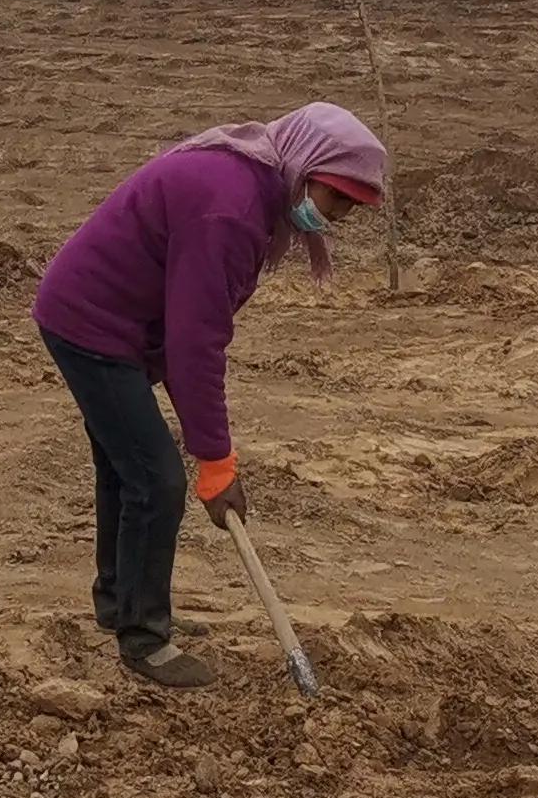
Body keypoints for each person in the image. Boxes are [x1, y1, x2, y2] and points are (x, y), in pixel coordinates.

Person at [28, 105, 386, 687]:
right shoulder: (232, 207)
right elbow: (196, 339)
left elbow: (183, 333)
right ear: (306, 165)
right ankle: (143, 637)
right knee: (156, 477)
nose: (339, 216)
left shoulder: (254, 186)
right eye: (337, 198)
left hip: (119, 324)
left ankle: (122, 601)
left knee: (129, 467)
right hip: (91, 324)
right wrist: (215, 460)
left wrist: (208, 444)